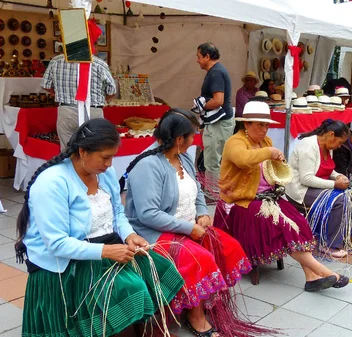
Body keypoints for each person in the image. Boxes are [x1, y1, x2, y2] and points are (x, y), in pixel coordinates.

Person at [15, 119, 183, 337]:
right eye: (105, 157)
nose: (110, 164)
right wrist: (105, 251)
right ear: (83, 151)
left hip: (104, 247)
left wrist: (129, 235)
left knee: (159, 270)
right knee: (128, 290)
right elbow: (57, 244)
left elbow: (117, 213)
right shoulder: (52, 183)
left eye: (112, 156)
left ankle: (146, 331)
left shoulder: (104, 174)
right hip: (65, 263)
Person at [122, 109, 265, 337]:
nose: (194, 140)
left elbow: (197, 189)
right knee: (199, 259)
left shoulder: (183, 157)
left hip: (188, 224)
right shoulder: (148, 165)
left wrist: (201, 213)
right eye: (192, 136)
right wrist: (189, 228)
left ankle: (203, 302)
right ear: (179, 139)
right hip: (153, 232)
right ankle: (195, 315)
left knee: (228, 247)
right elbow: (148, 214)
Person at [214, 102, 349, 289]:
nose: (264, 129)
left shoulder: (265, 142)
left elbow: (272, 170)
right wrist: (269, 153)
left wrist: (279, 168)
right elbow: (243, 160)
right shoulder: (235, 142)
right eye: (260, 125)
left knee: (298, 221)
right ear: (246, 124)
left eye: (267, 125)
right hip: (242, 201)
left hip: (268, 197)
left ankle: (310, 276)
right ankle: (324, 271)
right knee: (283, 226)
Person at [287, 119, 352, 257]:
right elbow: (306, 179)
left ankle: (349, 235)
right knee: (340, 199)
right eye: (340, 142)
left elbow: (328, 170)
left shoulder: (327, 146)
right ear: (331, 135)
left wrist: (338, 176)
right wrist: (334, 184)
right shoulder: (308, 147)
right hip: (300, 190)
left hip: (316, 186)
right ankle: (330, 244)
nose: (339, 146)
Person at [42, 20, 116, 151]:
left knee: (67, 152)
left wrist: (59, 93)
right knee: (94, 152)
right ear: (91, 43)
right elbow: (112, 91)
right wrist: (101, 98)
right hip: (93, 111)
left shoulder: (56, 61)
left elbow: (46, 85)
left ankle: (69, 171)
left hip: (67, 111)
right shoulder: (100, 64)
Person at [193, 42, 235, 181]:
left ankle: (213, 195)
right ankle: (216, 193)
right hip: (220, 122)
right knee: (216, 159)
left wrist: (201, 105)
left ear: (207, 56)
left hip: (219, 123)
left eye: (199, 57)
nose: (197, 60)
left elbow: (218, 100)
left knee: (212, 161)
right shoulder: (216, 70)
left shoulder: (216, 73)